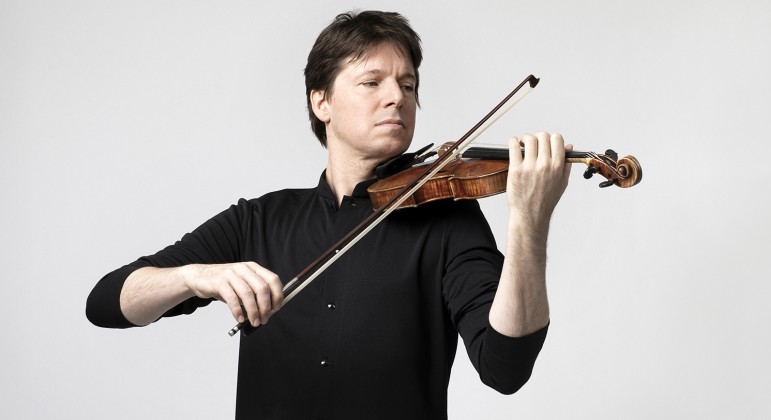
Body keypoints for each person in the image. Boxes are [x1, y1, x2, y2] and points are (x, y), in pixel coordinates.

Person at [86, 10, 571, 419]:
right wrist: (194, 277)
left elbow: (506, 368)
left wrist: (530, 222)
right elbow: (107, 303)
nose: (396, 96)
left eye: (407, 84)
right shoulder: (259, 219)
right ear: (322, 101)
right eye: (371, 82)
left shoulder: (449, 221)